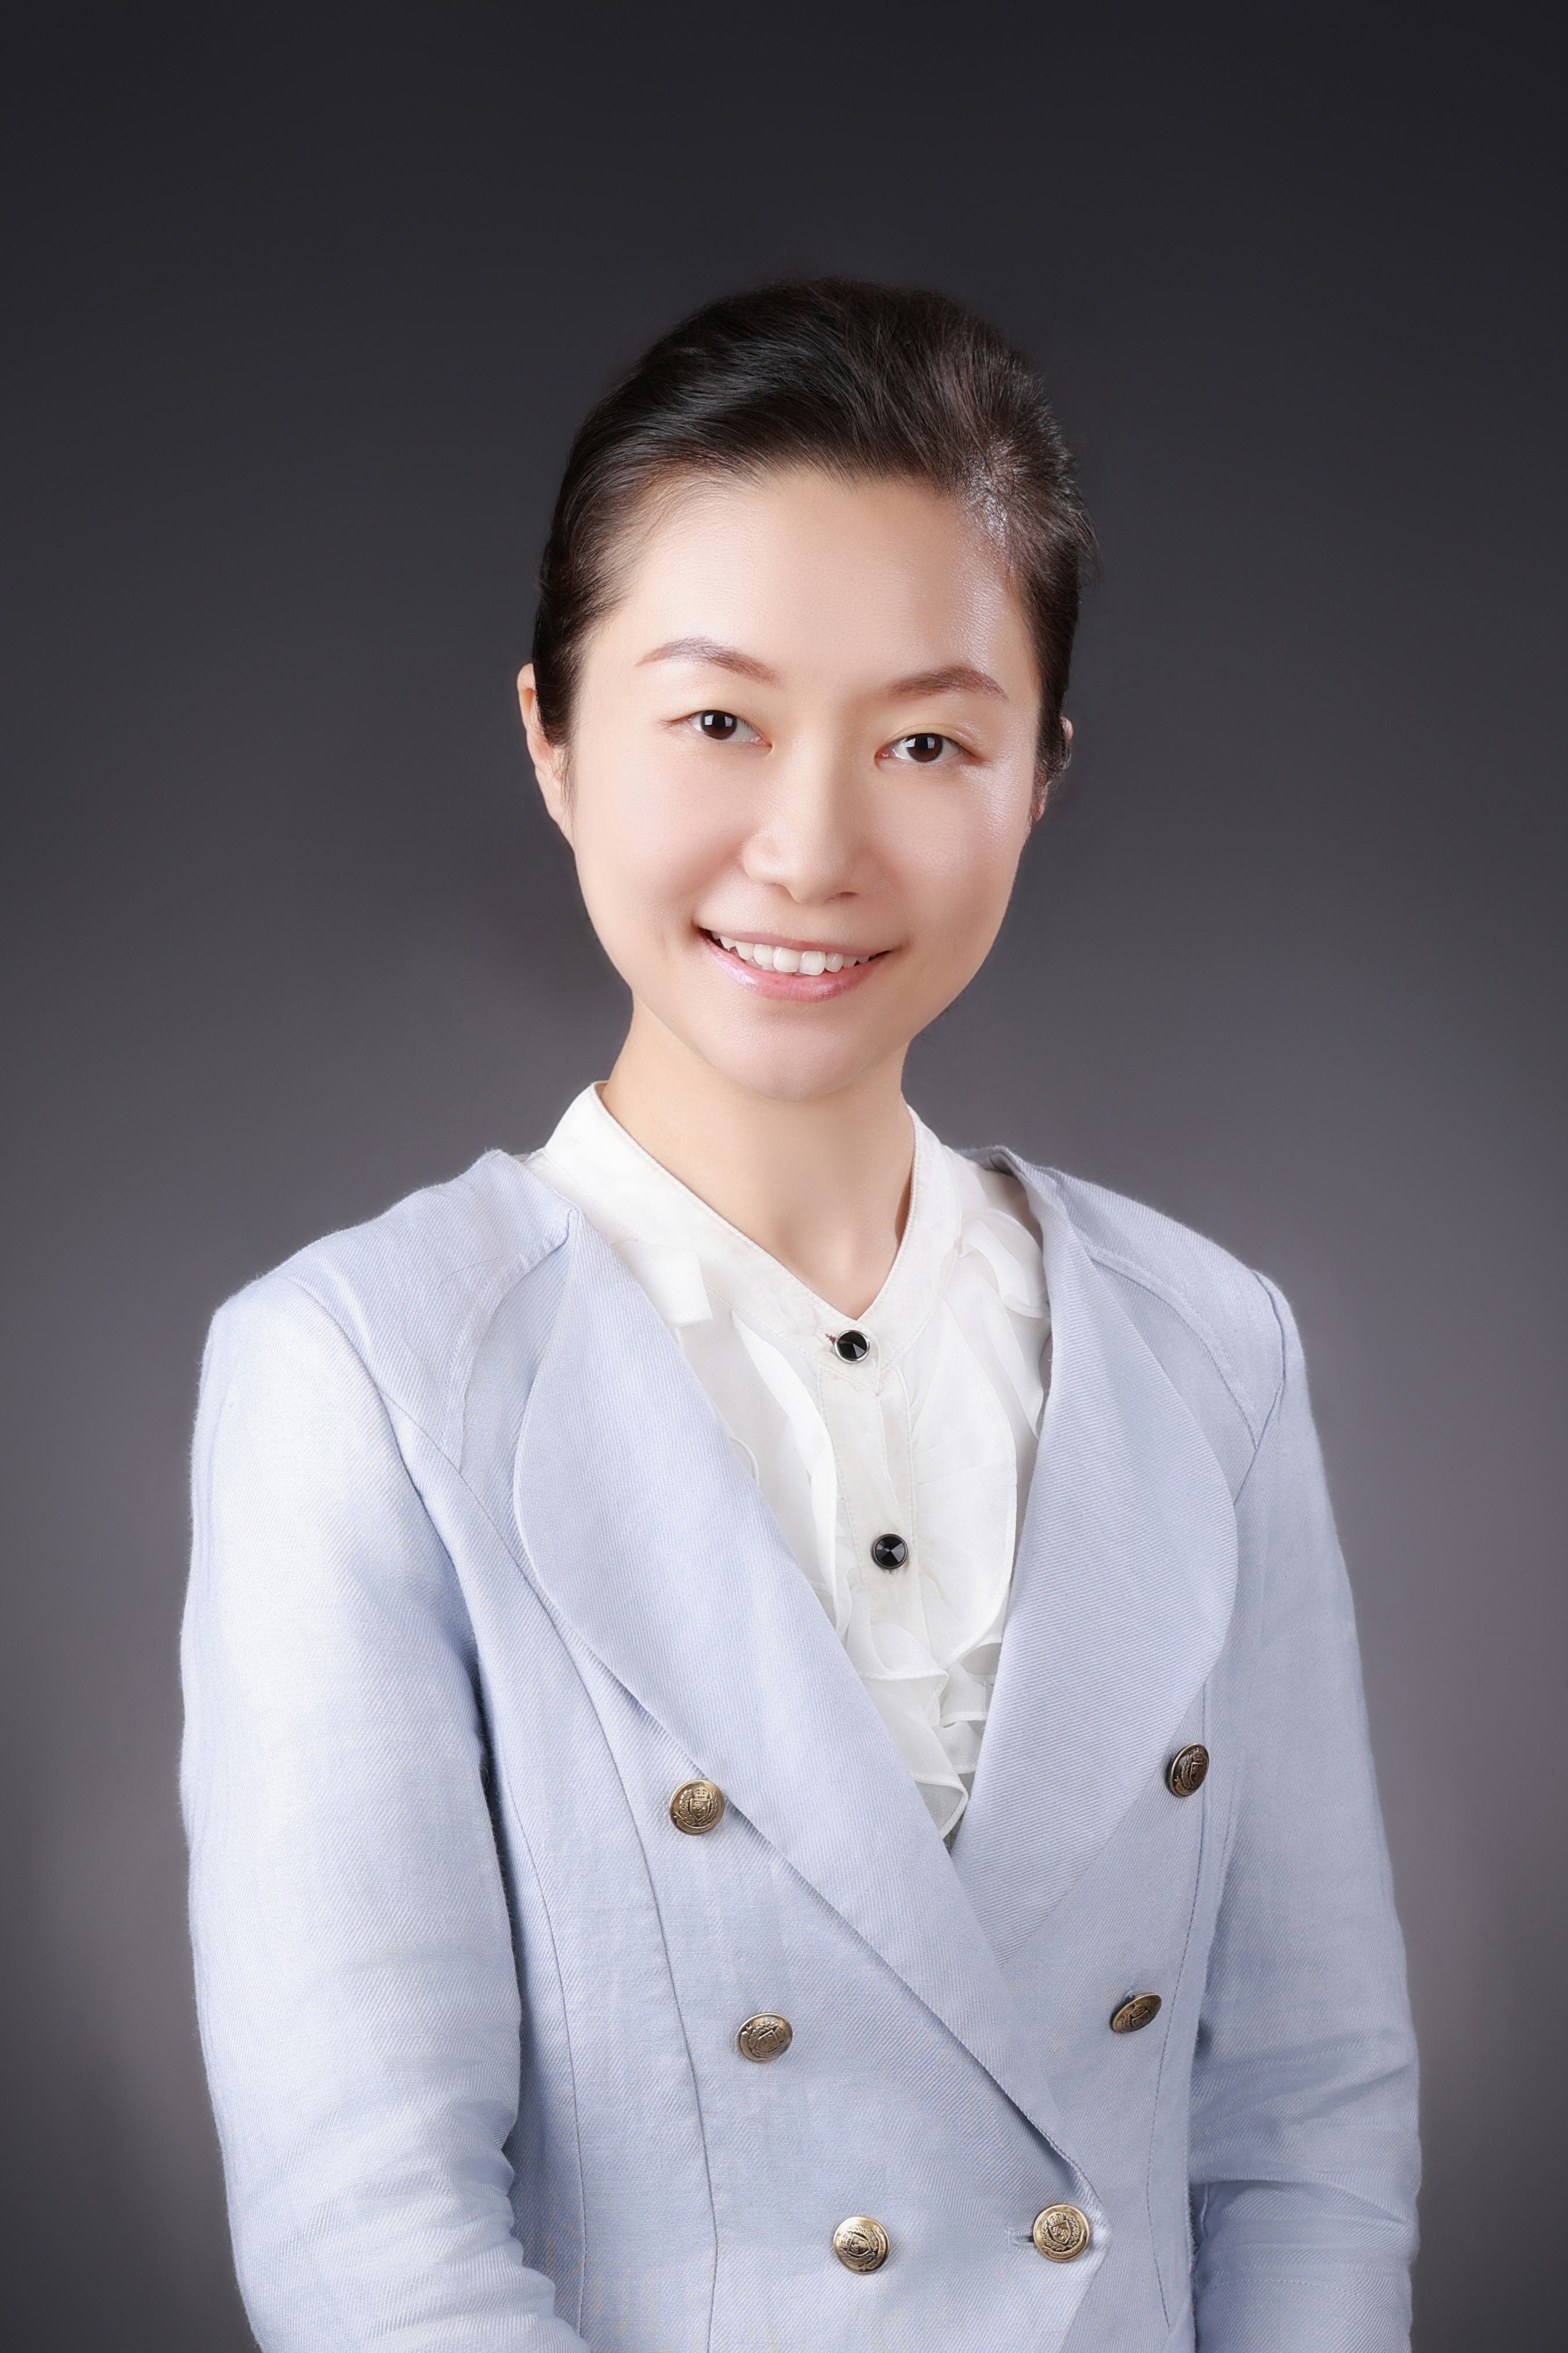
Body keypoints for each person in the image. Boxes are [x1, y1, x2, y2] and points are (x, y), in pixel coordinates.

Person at [181, 279, 1419, 2353]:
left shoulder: (1215, 1347)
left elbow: (1308, 2123)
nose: (813, 847)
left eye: (930, 739)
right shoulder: (362, 1371)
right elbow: (371, 2238)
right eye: (719, 722)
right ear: (553, 739)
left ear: (1041, 775)